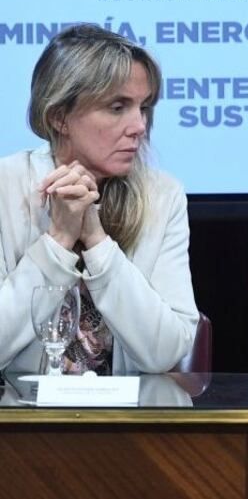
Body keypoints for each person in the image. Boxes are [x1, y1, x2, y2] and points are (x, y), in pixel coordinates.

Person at [0, 24, 199, 375]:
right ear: (59, 117)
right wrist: (59, 240)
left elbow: (165, 351)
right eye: (117, 107)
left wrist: (95, 239)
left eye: (143, 107)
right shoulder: (6, 186)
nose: (139, 126)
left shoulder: (162, 196)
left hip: (125, 410)